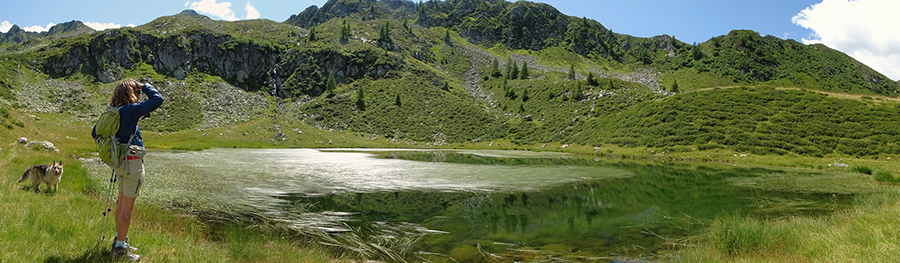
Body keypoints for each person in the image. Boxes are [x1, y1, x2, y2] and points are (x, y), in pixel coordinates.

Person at [92, 78, 164, 262]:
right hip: (132, 163)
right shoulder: (131, 110)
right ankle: (121, 251)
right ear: (130, 93)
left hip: (120, 164)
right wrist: (145, 85)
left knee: (121, 203)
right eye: (137, 92)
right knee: (126, 209)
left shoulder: (113, 111)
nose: (139, 96)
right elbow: (158, 99)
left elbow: (95, 133)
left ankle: (119, 240)